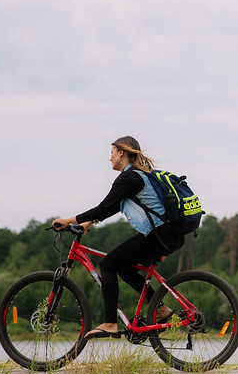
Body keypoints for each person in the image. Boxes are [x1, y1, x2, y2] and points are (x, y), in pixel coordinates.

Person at [52, 136, 186, 340]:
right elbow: (113, 207)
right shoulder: (137, 176)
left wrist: (69, 220)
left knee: (108, 264)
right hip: (166, 235)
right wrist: (88, 223)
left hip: (158, 235)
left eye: (111, 153)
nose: (110, 158)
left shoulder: (129, 178)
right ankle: (162, 310)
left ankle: (110, 323)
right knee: (123, 267)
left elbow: (103, 206)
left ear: (121, 152)